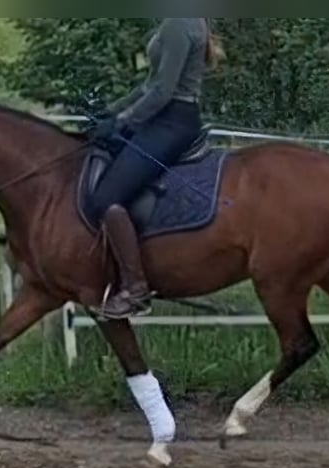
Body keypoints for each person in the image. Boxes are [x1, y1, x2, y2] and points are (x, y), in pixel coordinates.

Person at [88, 18, 224, 320]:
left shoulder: (179, 24)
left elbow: (163, 91)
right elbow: (150, 84)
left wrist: (124, 122)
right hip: (164, 117)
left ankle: (135, 290)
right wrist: (112, 110)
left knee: (106, 199)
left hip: (172, 122)